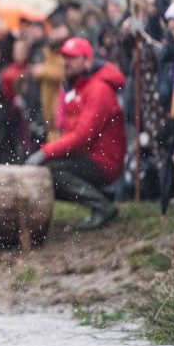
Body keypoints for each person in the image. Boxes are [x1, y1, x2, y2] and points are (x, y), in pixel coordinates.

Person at [25, 37, 125, 230]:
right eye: (64, 57)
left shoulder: (98, 89)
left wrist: (44, 153)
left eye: (72, 57)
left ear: (87, 61)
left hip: (103, 161)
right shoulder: (78, 86)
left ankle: (103, 207)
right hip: (88, 157)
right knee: (46, 170)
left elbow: (82, 135)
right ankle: (102, 196)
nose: (65, 62)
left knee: (51, 172)